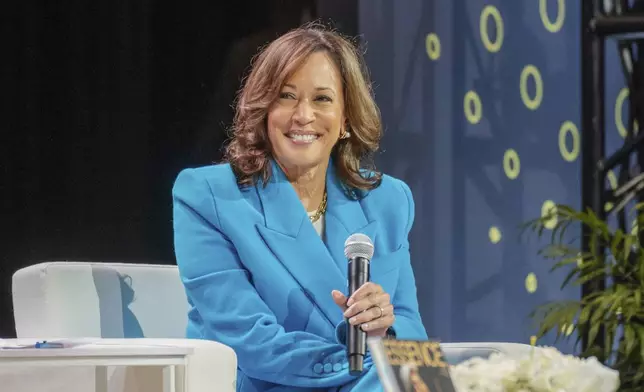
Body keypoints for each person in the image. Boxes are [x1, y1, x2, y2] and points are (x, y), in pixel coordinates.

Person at [172, 23, 428, 391]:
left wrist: (384, 332)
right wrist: (369, 364)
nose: (303, 115)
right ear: (264, 110)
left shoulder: (387, 200)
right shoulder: (208, 196)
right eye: (286, 96)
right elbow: (253, 342)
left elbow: (410, 329)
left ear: (345, 119)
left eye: (322, 99)